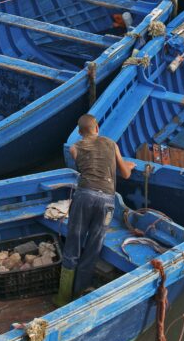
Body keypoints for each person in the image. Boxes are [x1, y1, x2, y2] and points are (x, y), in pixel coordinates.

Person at [54, 114, 134, 306]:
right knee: (92, 248)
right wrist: (129, 165)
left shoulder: (74, 148)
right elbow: (125, 173)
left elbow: (86, 166)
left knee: (73, 245)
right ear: (97, 128)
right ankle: (78, 298)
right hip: (107, 200)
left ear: (80, 133)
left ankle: (62, 298)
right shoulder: (111, 144)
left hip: (84, 197)